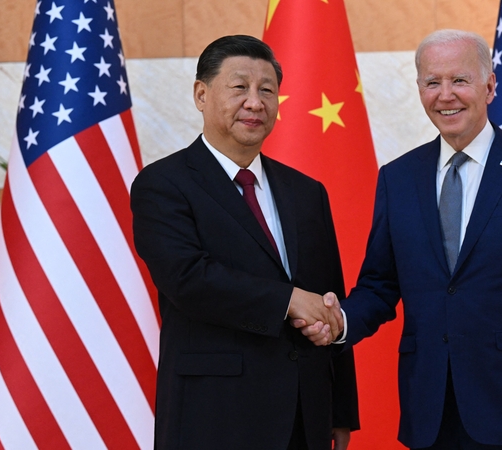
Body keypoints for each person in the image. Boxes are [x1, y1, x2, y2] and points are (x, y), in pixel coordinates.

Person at [297, 29, 502, 450]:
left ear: (490, 86)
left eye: (460, 80)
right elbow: (380, 285)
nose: (445, 95)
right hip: (427, 411)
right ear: (419, 89)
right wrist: (338, 321)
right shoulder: (398, 178)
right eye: (433, 82)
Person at [130, 35, 358, 450]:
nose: (255, 102)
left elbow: (328, 299)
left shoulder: (306, 191)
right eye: (239, 88)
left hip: (305, 418)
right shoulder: (163, 184)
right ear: (201, 94)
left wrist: (340, 410)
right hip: (215, 417)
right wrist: (287, 299)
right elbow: (188, 279)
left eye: (267, 90)